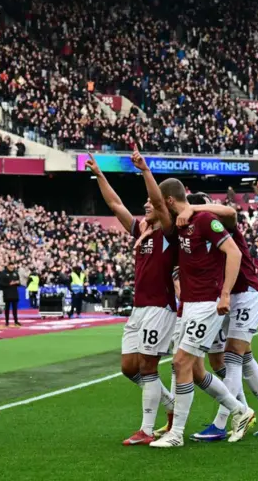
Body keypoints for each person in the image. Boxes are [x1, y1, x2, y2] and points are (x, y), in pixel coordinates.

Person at [147, 174, 255, 448]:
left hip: (207, 304)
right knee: (193, 369)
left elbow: (235, 253)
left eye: (162, 203)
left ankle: (176, 434)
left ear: (170, 201)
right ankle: (240, 410)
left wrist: (225, 294)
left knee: (180, 363)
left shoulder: (205, 220)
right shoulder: (177, 226)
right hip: (189, 306)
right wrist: (144, 170)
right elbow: (155, 214)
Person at [87, 154, 178, 446]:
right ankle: (170, 402)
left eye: (150, 203)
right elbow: (115, 205)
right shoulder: (141, 230)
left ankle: (147, 430)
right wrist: (100, 174)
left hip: (159, 308)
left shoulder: (168, 232)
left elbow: (160, 202)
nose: (146, 205)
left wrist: (145, 171)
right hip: (139, 309)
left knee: (148, 367)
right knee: (129, 367)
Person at [185, 192, 258, 442]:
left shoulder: (218, 224)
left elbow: (230, 213)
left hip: (246, 294)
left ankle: (221, 423)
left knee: (232, 356)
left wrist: (195, 207)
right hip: (225, 297)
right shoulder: (195, 234)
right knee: (239, 358)